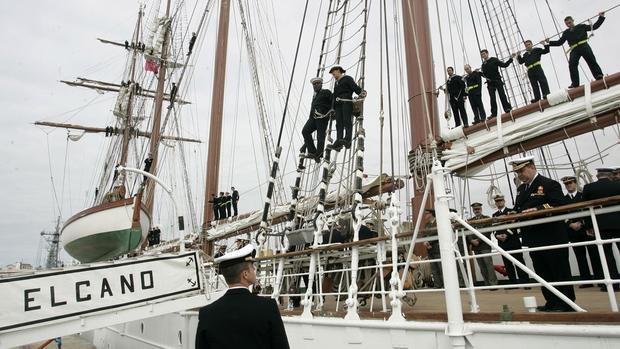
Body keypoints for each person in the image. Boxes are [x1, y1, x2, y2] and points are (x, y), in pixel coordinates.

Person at [510, 156, 576, 311]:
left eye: (522, 170)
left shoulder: (549, 184)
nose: (520, 174)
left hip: (551, 235)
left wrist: (537, 209)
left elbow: (560, 204)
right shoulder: (521, 189)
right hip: (533, 237)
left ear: (533, 167)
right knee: (542, 271)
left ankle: (566, 303)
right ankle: (551, 301)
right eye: (517, 172)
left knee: (558, 270)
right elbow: (519, 208)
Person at [195, 244, 290, 349]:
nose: (254, 270)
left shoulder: (206, 313)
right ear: (245, 274)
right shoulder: (268, 307)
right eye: (252, 267)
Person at [581, 167, 620, 292]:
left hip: (601, 224)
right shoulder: (617, 185)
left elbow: (586, 208)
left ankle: (612, 284)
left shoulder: (589, 188)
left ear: (597, 176)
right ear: (610, 175)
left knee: (606, 255)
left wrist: (588, 226)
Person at [562, 175, 602, 288]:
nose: (569, 185)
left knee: (594, 255)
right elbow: (562, 215)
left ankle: (600, 279)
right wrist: (570, 223)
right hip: (572, 231)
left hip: (586, 230)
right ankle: (586, 280)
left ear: (575, 183)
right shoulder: (563, 200)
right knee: (580, 257)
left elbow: (591, 210)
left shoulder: (583, 196)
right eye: (566, 184)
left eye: (570, 183)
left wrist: (582, 223)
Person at [547, 12, 606, 88]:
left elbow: (594, 27)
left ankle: (598, 75)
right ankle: (575, 83)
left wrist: (601, 17)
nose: (568, 25)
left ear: (573, 21)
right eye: (567, 24)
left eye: (569, 23)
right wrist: (549, 42)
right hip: (574, 49)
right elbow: (559, 42)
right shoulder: (566, 33)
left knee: (591, 60)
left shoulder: (581, 26)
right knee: (572, 65)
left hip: (583, 45)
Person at [492, 194, 529, 286]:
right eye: (497, 201)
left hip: (513, 240)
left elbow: (514, 225)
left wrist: (506, 234)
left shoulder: (511, 212)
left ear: (504, 201)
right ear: (495, 203)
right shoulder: (494, 215)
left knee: (519, 262)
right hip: (502, 242)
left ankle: (525, 282)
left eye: (500, 200)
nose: (499, 202)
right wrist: (497, 235)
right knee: (507, 263)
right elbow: (494, 228)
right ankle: (512, 282)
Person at [329, 66, 367, 151]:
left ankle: (347, 140)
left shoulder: (347, 79)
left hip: (346, 101)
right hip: (338, 105)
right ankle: (339, 142)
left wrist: (362, 92)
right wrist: (332, 108)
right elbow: (334, 96)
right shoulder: (336, 83)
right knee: (339, 124)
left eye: (334, 73)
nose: (333, 75)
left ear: (339, 70)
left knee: (346, 120)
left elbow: (354, 87)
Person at [301, 77, 333, 162]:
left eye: (317, 83)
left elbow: (333, 101)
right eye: (314, 84)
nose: (315, 85)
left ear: (321, 84)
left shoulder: (326, 92)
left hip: (322, 118)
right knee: (305, 131)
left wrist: (331, 111)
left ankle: (319, 154)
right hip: (313, 118)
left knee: (320, 136)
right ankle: (312, 151)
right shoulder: (315, 96)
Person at [467, 202, 498, 288]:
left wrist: (479, 240)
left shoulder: (486, 218)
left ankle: (493, 284)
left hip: (484, 245)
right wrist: (471, 240)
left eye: (478, 209)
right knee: (481, 266)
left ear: (481, 209)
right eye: (475, 209)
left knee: (488, 265)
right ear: (473, 210)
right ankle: (486, 284)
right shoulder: (470, 221)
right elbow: (468, 232)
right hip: (475, 246)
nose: (476, 211)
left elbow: (488, 231)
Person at [479, 49, 513, 118]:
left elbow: (504, 65)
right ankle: (494, 113)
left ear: (487, 53)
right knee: (492, 98)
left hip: (497, 80)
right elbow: (485, 75)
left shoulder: (494, 60)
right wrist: (480, 73)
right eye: (482, 54)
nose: (483, 55)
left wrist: (510, 59)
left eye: (484, 54)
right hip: (490, 83)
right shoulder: (483, 65)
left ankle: (507, 108)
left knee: (502, 95)